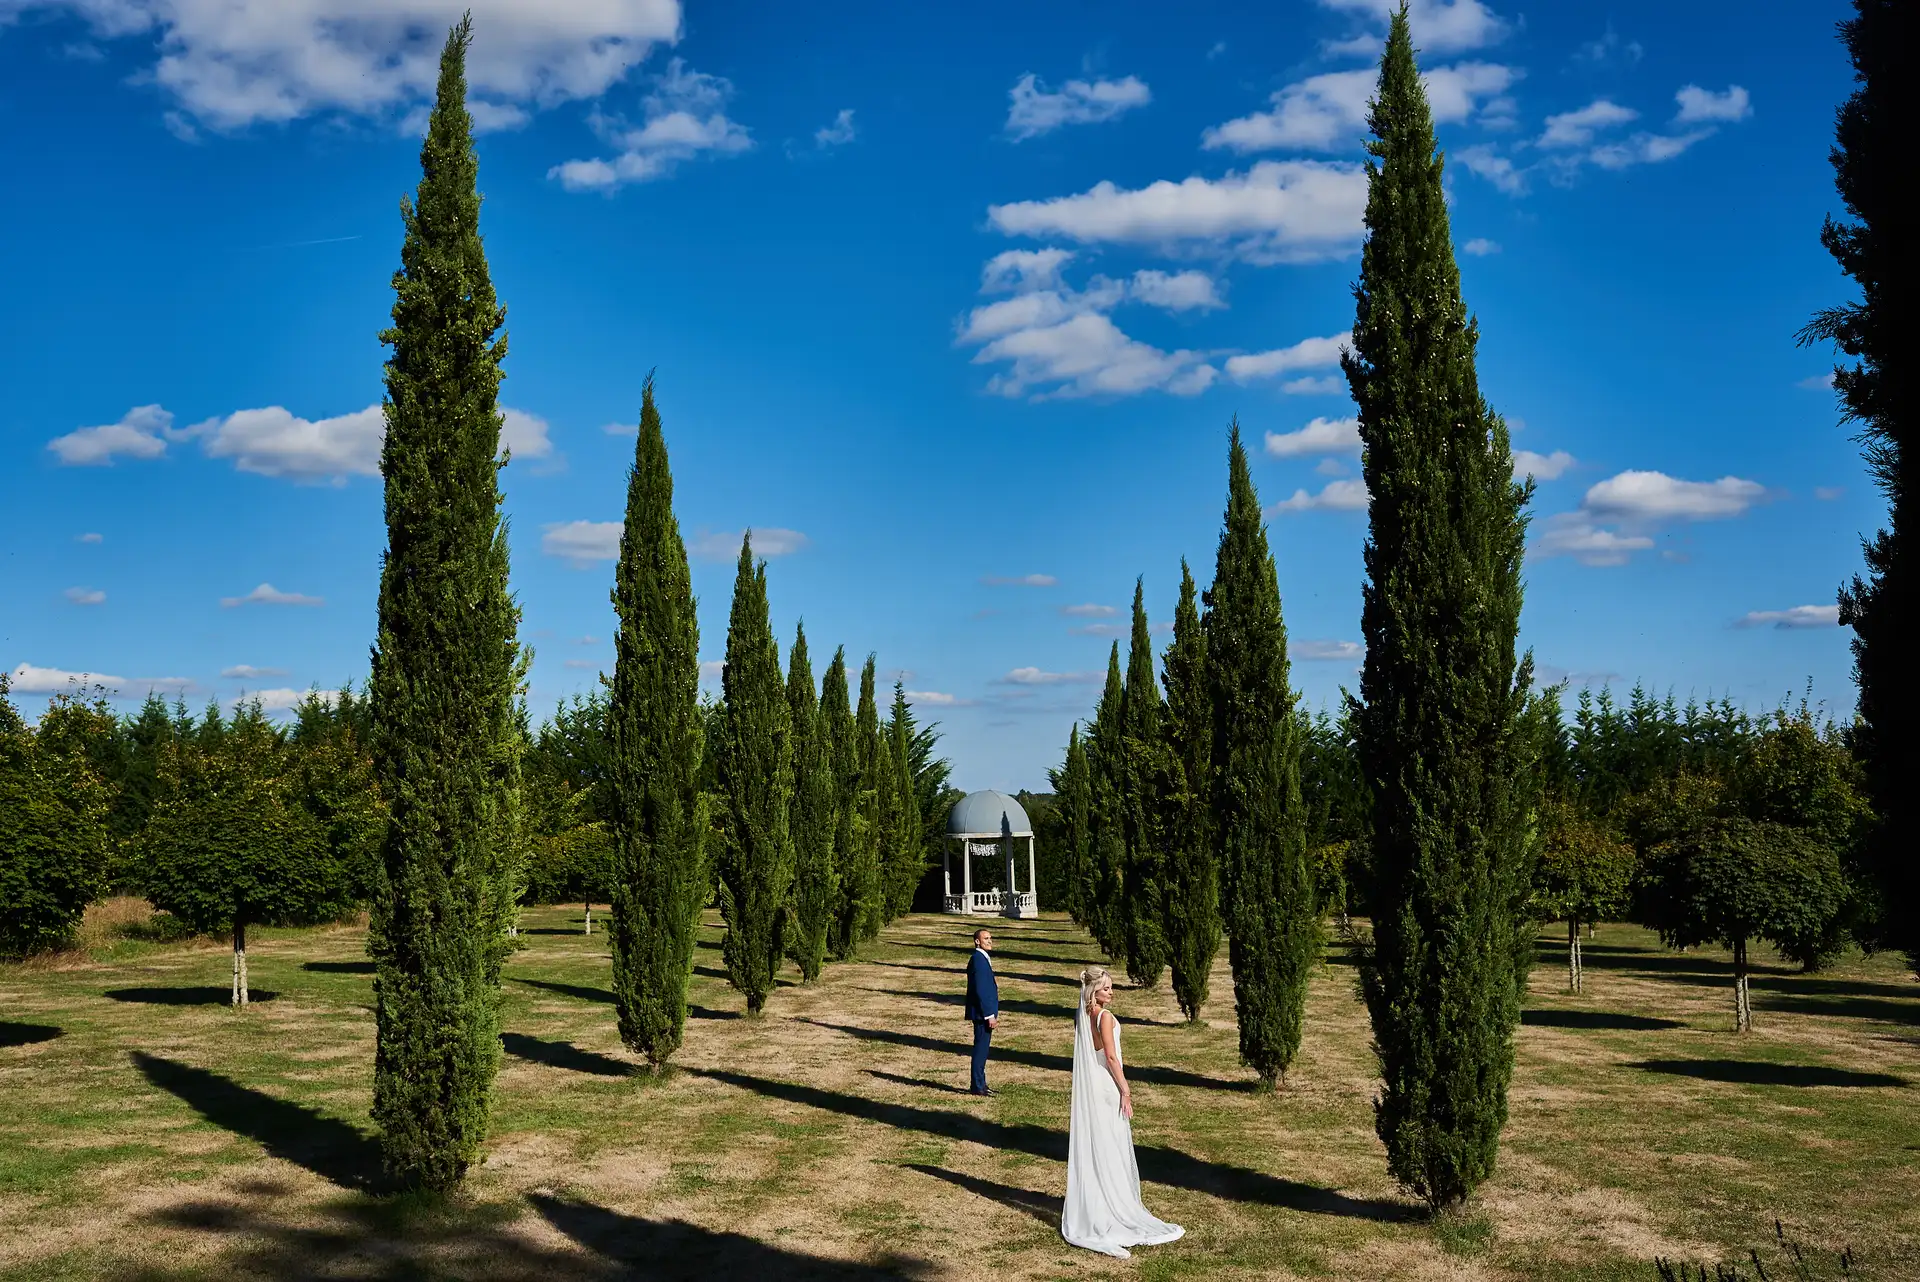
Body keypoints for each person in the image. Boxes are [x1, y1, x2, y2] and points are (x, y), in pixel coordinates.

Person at [1061, 965, 1184, 1259]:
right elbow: (1112, 1057)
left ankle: (1098, 1203)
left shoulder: (1083, 1017)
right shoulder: (1103, 1017)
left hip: (1095, 1086)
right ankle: (1113, 1206)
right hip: (1107, 1085)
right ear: (1093, 991)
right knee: (1113, 1147)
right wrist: (1125, 1090)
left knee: (1101, 1146)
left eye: (1111, 987)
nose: (1111, 992)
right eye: (1105, 988)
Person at [963, 927, 998, 1095]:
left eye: (990, 938)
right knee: (980, 1049)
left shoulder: (982, 958)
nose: (989, 941)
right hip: (982, 1014)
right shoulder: (978, 959)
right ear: (977, 941)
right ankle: (977, 1085)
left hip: (984, 1012)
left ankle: (981, 1083)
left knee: (983, 1050)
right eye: (986, 938)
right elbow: (981, 990)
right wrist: (989, 1015)